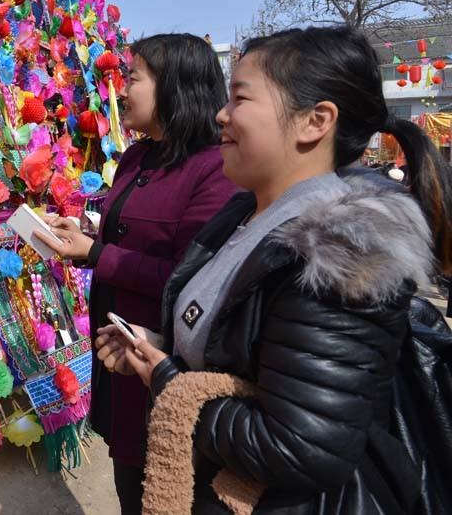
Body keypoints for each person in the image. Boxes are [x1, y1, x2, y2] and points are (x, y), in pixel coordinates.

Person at [96, 26, 452, 514]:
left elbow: (298, 447)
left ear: (314, 121)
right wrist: (160, 344)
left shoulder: (340, 257)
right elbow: (245, 348)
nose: (222, 113)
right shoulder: (249, 216)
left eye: (241, 98)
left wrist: (167, 379)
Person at [34, 33, 237, 514]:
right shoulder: (136, 156)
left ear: (175, 87)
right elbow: (125, 235)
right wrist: (82, 233)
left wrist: (97, 253)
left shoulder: (214, 170)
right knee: (131, 481)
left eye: (133, 78)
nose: (120, 90)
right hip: (120, 358)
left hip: (163, 358)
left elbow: (193, 279)